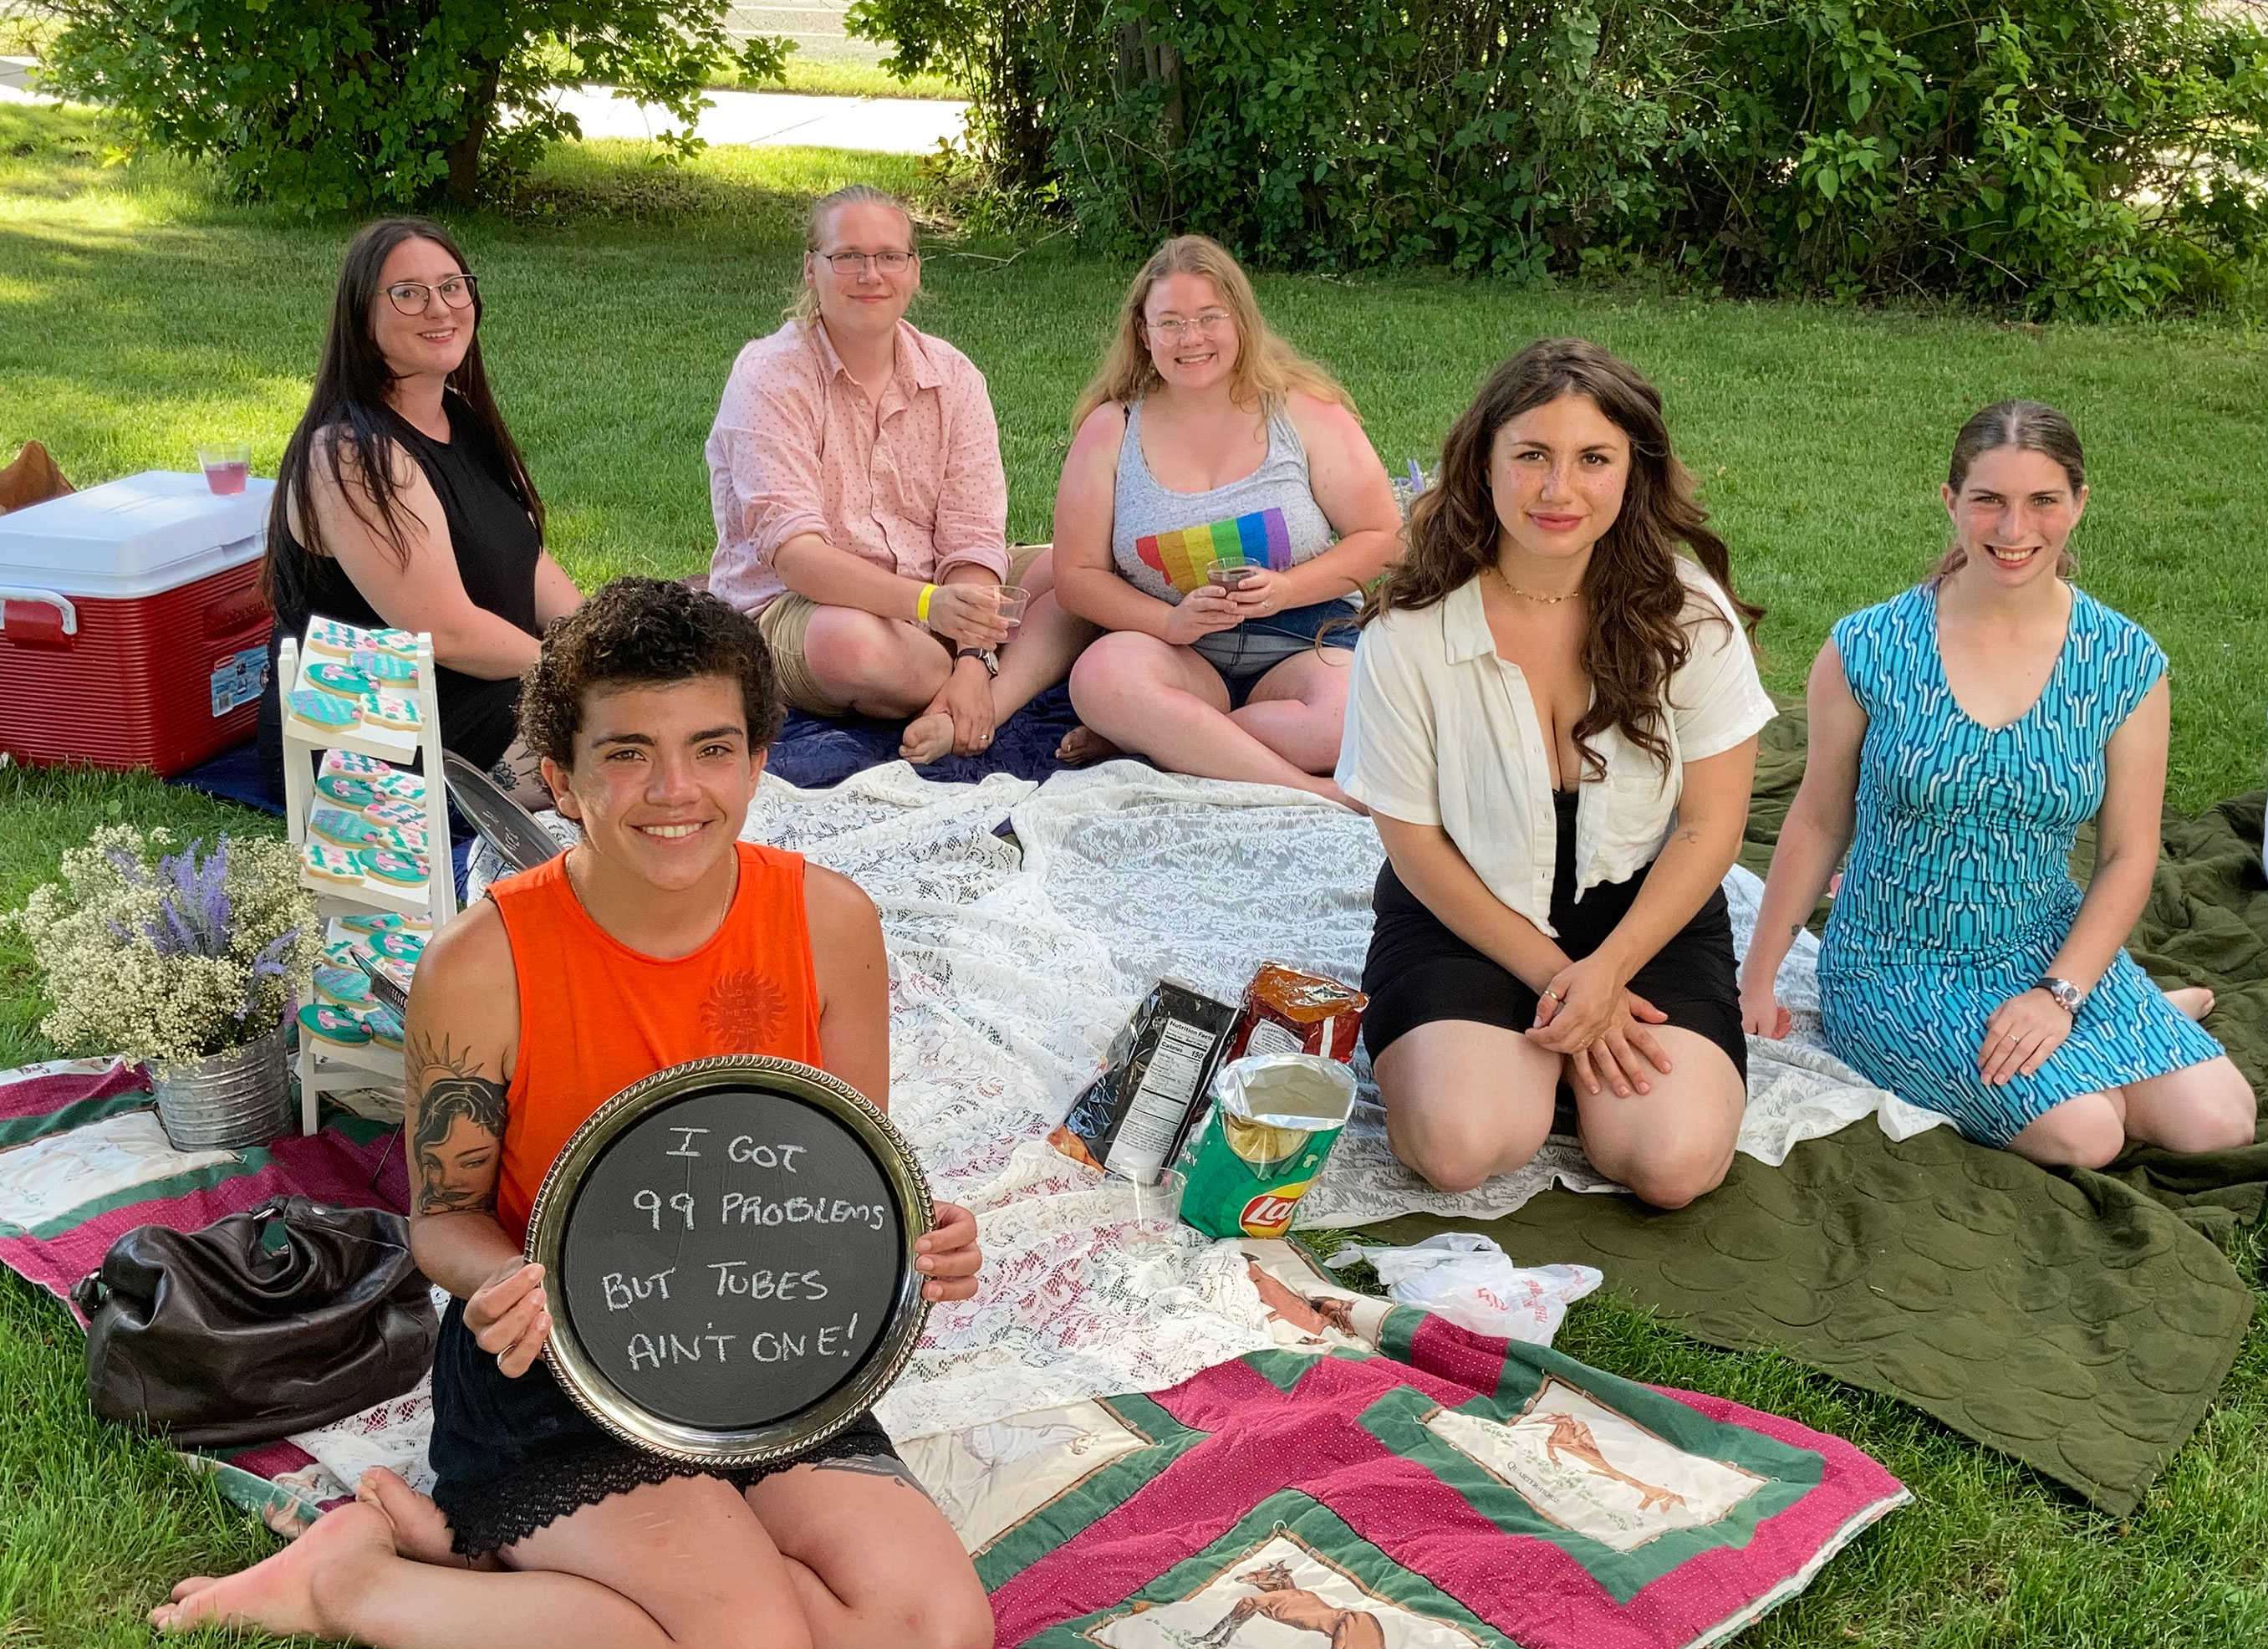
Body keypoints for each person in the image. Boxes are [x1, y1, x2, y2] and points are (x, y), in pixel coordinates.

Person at [153, 579, 996, 1649]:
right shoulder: (482, 963)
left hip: (760, 1351)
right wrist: (500, 1278)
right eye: (627, 754)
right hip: (557, 1362)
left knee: (935, 1633)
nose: (675, 790)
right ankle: (353, 1584)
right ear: (560, 777)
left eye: (712, 748)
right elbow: (443, 1219)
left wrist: (918, 1238)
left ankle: (534, 1570)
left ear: (760, 761)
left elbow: (845, 1169)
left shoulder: (828, 923)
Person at [1737, 401, 2255, 1171]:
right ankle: (2105, 1048)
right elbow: (1817, 821)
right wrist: (1757, 982)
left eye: (2042, 500)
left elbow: (2128, 855)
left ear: (2079, 503)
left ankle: (2111, 1022)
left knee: (2220, 1122)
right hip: (1896, 960)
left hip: (2043, 944)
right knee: (2088, 1132)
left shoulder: (2124, 663)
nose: (2014, 530)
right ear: (1951, 502)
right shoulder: (1868, 647)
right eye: (1989, 500)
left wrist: (2060, 993)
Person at [1338, 340, 1768, 1210]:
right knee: (1460, 1146)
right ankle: (1519, 1056)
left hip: (1645, 917)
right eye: (1532, 454)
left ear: (1633, 471)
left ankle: (1565, 1064)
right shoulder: (1410, 629)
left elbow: (1710, 825)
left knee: (1671, 1164)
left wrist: (1607, 974)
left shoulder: (1689, 613)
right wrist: (1557, 979)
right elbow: (1413, 842)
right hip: (1468, 910)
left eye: (1593, 459)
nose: (1558, 489)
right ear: (1483, 463)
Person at [702, 185, 1085, 763]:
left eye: (889, 256)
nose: (870, 275)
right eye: (847, 257)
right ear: (811, 269)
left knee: (1080, 571)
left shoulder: (953, 376)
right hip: (804, 607)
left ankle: (978, 702)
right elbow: (797, 557)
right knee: (857, 649)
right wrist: (932, 607)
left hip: (938, 598)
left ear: (914, 271)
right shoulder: (770, 376)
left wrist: (970, 657)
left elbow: (972, 537)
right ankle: (978, 680)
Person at [1051, 236, 1400, 804]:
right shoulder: (1111, 428)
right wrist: (1171, 623)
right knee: (1101, 679)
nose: (1191, 339)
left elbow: (1383, 537)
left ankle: (1163, 740)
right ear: (1143, 332)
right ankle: (1314, 792)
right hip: (1177, 650)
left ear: (1241, 320)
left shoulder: (1303, 410)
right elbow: (1075, 576)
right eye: (1170, 323)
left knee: (1340, 721)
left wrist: (1286, 589)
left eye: (1209, 317)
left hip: (1306, 639)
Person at [264, 217, 583, 779]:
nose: (440, 309)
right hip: (372, 728)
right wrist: (583, 672)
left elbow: (525, 559)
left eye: (452, 287)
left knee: (669, 704)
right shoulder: (349, 456)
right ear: (362, 316)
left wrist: (599, 640)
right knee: (632, 743)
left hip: (483, 690)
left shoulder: (459, 413)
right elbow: (446, 633)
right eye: (408, 294)